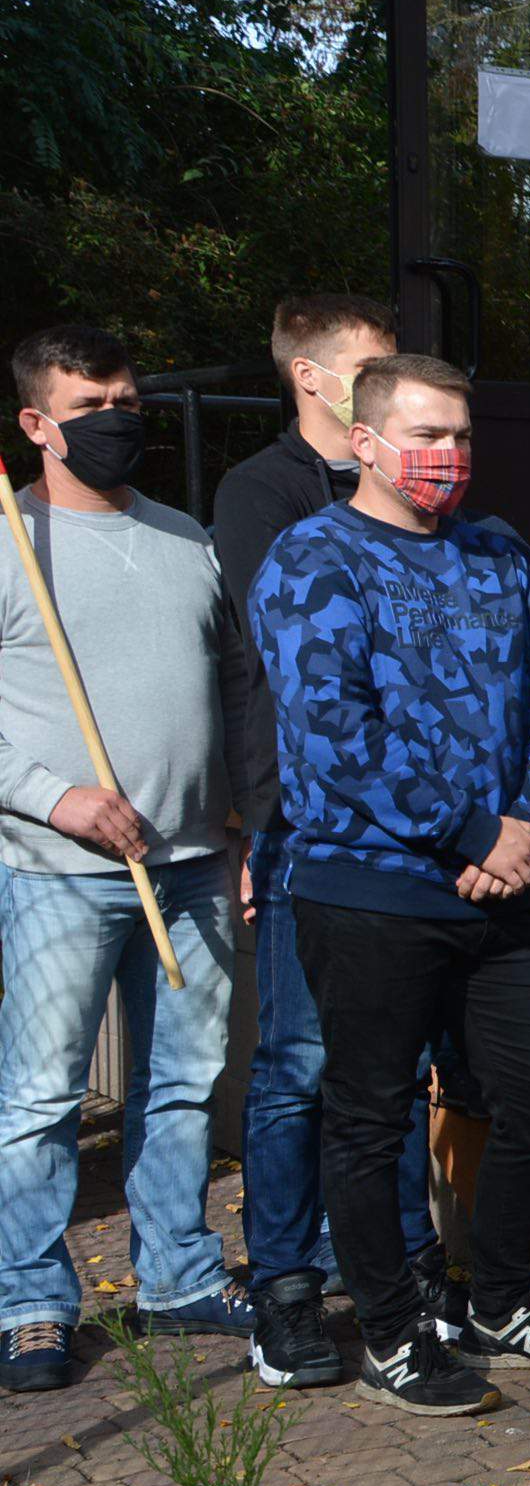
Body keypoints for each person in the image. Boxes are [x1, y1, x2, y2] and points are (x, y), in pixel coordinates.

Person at [254, 353, 530, 1416]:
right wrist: (469, 829)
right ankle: (391, 1331)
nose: (446, 455)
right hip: (370, 889)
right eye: (424, 435)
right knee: (366, 1119)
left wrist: (527, 825)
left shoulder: (496, 551)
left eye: (459, 435)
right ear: (362, 441)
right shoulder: (312, 558)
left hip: (508, 883)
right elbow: (333, 736)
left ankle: (498, 1298)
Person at [0, 327, 268, 1393]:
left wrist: (241, 824)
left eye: (128, 398)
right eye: (90, 401)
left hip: (194, 861)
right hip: (52, 870)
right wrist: (54, 796)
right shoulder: (11, 541)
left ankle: (175, 1276)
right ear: (36, 423)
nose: (117, 417)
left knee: (187, 1085)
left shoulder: (184, 539)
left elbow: (231, 689)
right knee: (40, 1097)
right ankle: (29, 1299)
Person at [217, 294, 450, 1373]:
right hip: (310, 830)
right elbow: (287, 681)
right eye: (370, 363)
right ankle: (288, 1286)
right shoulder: (264, 494)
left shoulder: (434, 512)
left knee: (393, 1073)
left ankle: (399, 1275)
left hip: (419, 838)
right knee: (301, 1064)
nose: (389, 373)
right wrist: (266, 826)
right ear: (311, 377)